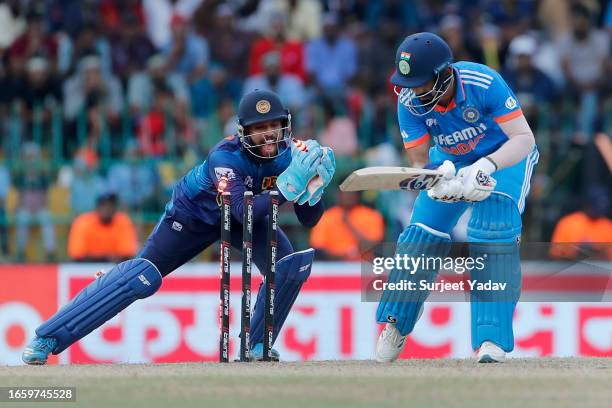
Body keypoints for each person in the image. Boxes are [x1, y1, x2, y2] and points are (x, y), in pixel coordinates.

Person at [22, 89, 336, 364]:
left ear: (286, 124)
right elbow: (241, 211)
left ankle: (256, 345)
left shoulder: (295, 154)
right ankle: (47, 338)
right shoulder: (225, 157)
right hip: (192, 218)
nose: (269, 134)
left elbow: (309, 219)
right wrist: (288, 189)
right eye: (260, 128)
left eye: (275, 125)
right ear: (244, 132)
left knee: (288, 265)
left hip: (252, 215)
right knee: (140, 276)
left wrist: (315, 189)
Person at [375, 33, 538, 364]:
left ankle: (492, 339)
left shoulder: (482, 81)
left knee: (492, 232)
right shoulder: (408, 99)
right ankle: (397, 320)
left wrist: (487, 166)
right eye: (409, 83)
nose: (414, 91)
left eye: (421, 82)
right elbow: (420, 160)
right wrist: (438, 180)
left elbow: (524, 138)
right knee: (420, 236)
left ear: (444, 73)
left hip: (504, 158)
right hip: (450, 163)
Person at [310, 190, 384, 260]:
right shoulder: (325, 217)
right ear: (338, 194)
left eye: (351, 192)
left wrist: (349, 224)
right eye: (345, 192)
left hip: (364, 267)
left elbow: (374, 248)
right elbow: (318, 249)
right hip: (332, 267)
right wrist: (343, 257)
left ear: (358, 195)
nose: (348, 196)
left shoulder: (372, 216)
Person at [67, 193, 139, 263]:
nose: (107, 208)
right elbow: (77, 255)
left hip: (115, 269)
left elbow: (127, 254)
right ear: (97, 207)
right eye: (103, 205)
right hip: (86, 269)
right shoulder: (83, 222)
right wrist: (106, 258)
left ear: (115, 208)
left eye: (110, 205)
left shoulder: (123, 221)